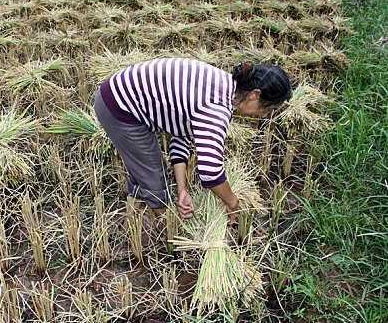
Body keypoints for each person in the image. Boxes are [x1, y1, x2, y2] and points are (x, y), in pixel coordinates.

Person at [94, 58, 291, 224]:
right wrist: (232, 202)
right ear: (255, 95)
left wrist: (182, 189)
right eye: (268, 108)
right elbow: (210, 173)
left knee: (146, 165)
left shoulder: (222, 85)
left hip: (120, 93)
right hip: (119, 105)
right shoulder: (217, 109)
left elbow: (181, 135)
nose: (265, 116)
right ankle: (165, 233)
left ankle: (138, 201)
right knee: (154, 173)